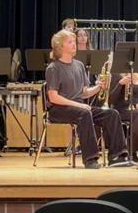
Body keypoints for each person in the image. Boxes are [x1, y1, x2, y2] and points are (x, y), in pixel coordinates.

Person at [45, 29, 130, 169]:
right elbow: (53, 97)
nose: (74, 44)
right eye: (70, 42)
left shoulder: (79, 65)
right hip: (58, 109)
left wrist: (98, 87)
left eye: (74, 41)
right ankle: (90, 159)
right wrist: (79, 105)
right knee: (85, 113)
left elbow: (84, 93)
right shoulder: (54, 68)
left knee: (111, 114)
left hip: (78, 107)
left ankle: (117, 156)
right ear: (61, 47)